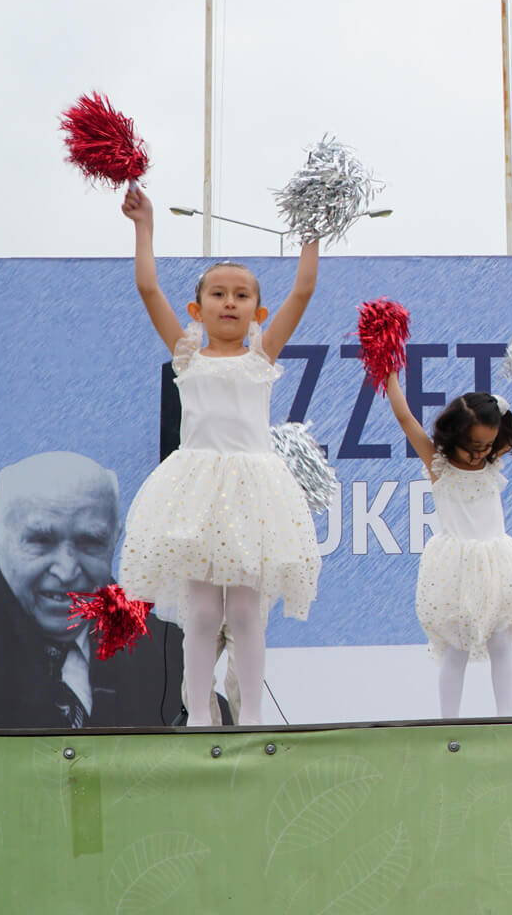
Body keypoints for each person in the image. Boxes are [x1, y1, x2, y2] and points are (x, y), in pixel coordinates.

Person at [115, 186, 322, 727]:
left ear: (258, 311)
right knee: (203, 611)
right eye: (218, 294)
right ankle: (201, 715)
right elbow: (146, 286)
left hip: (253, 493)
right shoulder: (187, 354)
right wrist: (145, 225)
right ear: (197, 308)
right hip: (197, 491)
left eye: (241, 296)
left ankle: (250, 717)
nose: (229, 303)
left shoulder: (261, 354)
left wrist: (311, 233)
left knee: (248, 610)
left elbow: (302, 291)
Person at [0, 452, 184, 728]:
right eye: (41, 540)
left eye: (90, 541)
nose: (67, 570)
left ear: (114, 541)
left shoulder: (167, 653)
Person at [382, 372, 512, 718]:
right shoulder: (438, 466)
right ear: (452, 436)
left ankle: (507, 718)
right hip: (457, 570)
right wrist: (391, 373)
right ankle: (449, 723)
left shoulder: (490, 462)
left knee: (501, 643)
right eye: (472, 447)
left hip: (497, 565)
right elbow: (405, 418)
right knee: (455, 650)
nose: (479, 455)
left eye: (487, 447)